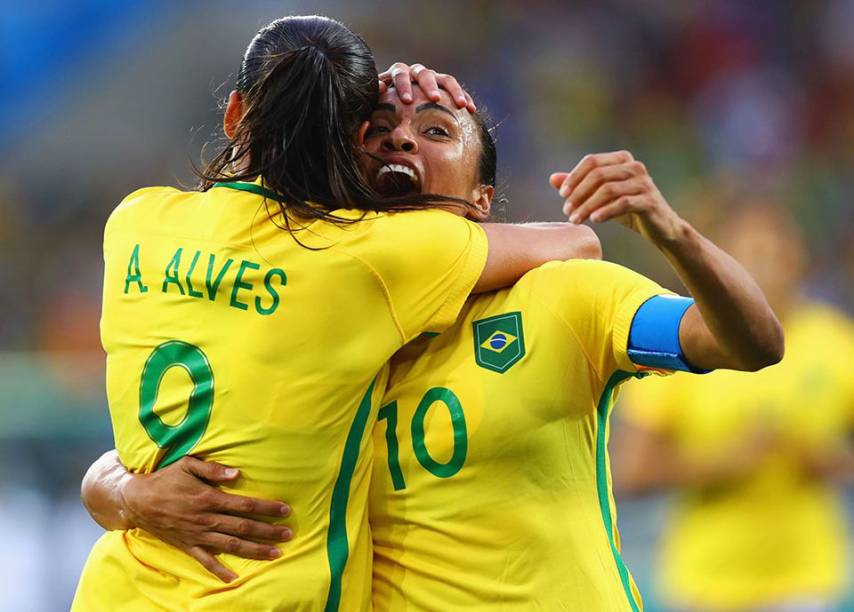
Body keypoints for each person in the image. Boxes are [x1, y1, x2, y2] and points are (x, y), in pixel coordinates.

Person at [81, 81, 784, 611]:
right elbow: (151, 455)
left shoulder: (564, 297)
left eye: (437, 130)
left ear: (482, 198)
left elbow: (746, 342)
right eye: (378, 129)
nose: (398, 141)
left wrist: (672, 234)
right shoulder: (307, 306)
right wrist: (122, 492)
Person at [71, 15, 598, 612]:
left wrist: (117, 490)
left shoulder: (136, 222)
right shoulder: (368, 256)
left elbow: (184, 435)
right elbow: (576, 242)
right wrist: (400, 90)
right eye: (378, 128)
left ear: (234, 115)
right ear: (353, 142)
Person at [614, 204, 854, 612]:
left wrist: (823, 460)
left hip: (806, 580)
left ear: (798, 258)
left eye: (775, 253)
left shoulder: (835, 341)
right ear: (723, 263)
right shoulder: (684, 341)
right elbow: (632, 471)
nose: (766, 266)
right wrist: (724, 463)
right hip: (705, 583)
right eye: (751, 254)